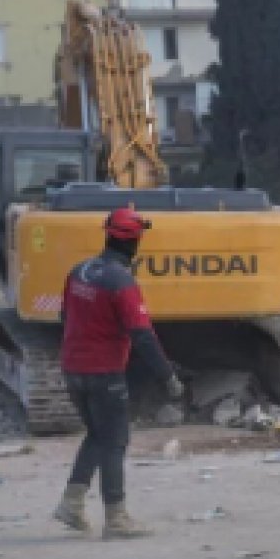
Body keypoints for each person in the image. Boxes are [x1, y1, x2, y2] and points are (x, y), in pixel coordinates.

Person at [53, 207, 184, 539]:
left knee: (97, 434)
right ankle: (117, 518)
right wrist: (167, 375)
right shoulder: (121, 282)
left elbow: (63, 316)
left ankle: (72, 503)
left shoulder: (79, 271)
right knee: (114, 440)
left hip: (72, 368)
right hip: (104, 372)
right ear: (134, 242)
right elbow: (142, 334)